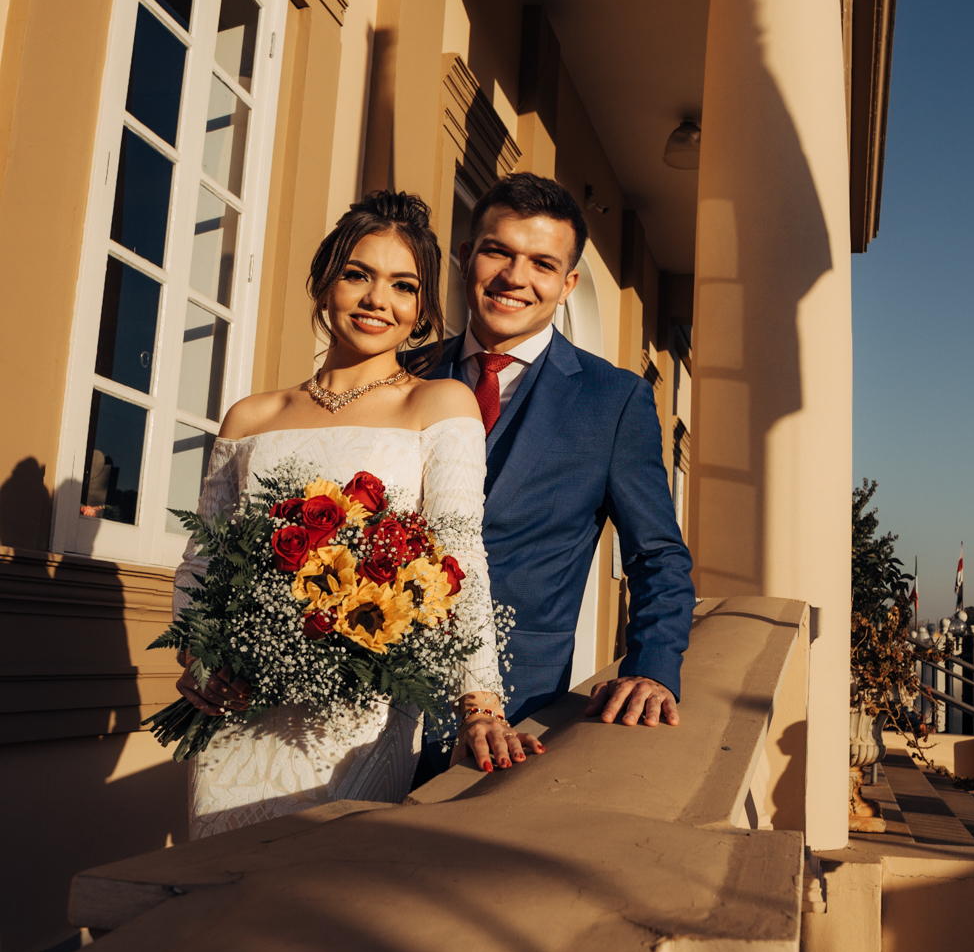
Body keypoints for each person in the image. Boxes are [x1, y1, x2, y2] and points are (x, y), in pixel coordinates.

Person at [174, 190, 540, 838]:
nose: (378, 300)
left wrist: (480, 703)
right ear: (323, 285)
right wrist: (203, 662)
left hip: (364, 712)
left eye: (403, 285)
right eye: (357, 275)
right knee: (220, 887)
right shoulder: (251, 417)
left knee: (322, 888)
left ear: (423, 309)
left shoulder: (439, 403)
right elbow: (205, 561)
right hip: (242, 710)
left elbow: (459, 558)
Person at [416, 172, 695, 783]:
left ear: (568, 284)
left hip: (515, 715)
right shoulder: (404, 373)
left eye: (542, 263)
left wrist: (651, 667)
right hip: (367, 692)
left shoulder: (613, 400)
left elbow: (658, 557)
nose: (516, 278)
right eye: (498, 251)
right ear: (466, 256)